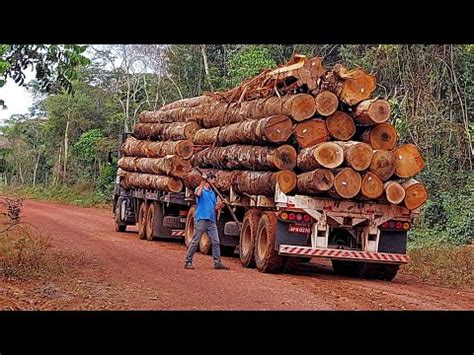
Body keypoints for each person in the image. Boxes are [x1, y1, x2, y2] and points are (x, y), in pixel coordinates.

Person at [184, 172, 230, 270]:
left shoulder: (212, 193)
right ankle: (188, 261)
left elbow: (215, 208)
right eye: (213, 181)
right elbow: (197, 194)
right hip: (201, 219)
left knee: (216, 242)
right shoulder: (200, 189)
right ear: (208, 180)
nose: (214, 183)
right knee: (195, 242)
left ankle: (217, 263)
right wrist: (202, 182)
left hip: (211, 221)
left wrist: (222, 204)